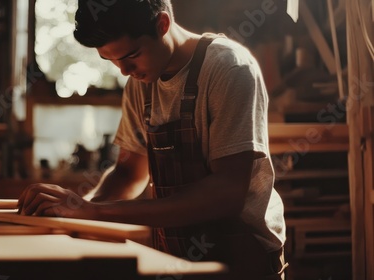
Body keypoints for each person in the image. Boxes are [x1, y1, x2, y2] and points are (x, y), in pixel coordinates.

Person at [18, 0, 287, 278]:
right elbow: (128, 173)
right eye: (112, 61)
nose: (124, 71)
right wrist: (75, 211)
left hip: (242, 258)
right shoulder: (141, 83)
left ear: (162, 24)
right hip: (176, 256)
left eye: (131, 56)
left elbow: (226, 193)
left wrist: (94, 212)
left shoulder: (228, 69)